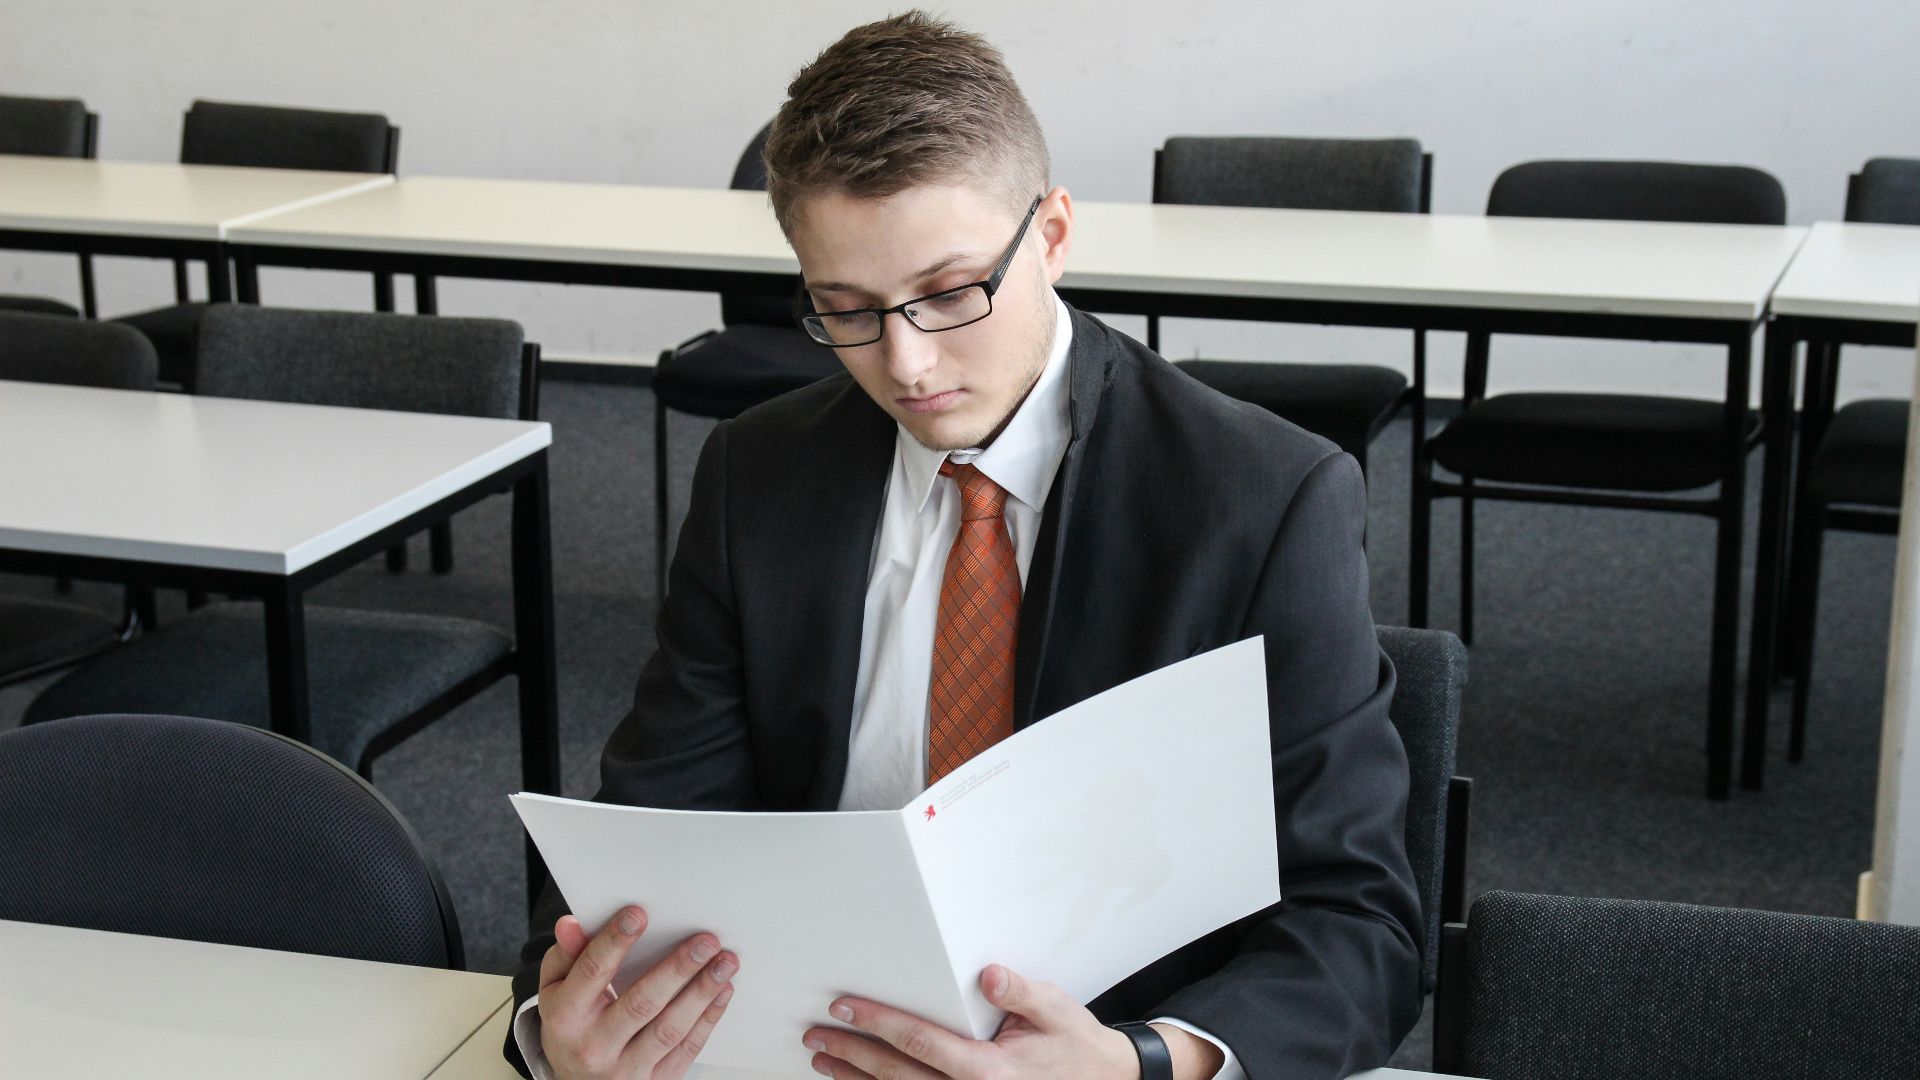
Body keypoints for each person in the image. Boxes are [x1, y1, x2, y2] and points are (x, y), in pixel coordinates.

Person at [507, 12, 1421, 1080]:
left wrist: (1146, 1065)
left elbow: (1361, 924)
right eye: (844, 308)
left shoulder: (1262, 500)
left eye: (949, 293)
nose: (905, 362)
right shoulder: (758, 476)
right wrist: (553, 1026)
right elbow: (649, 836)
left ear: (1055, 234)